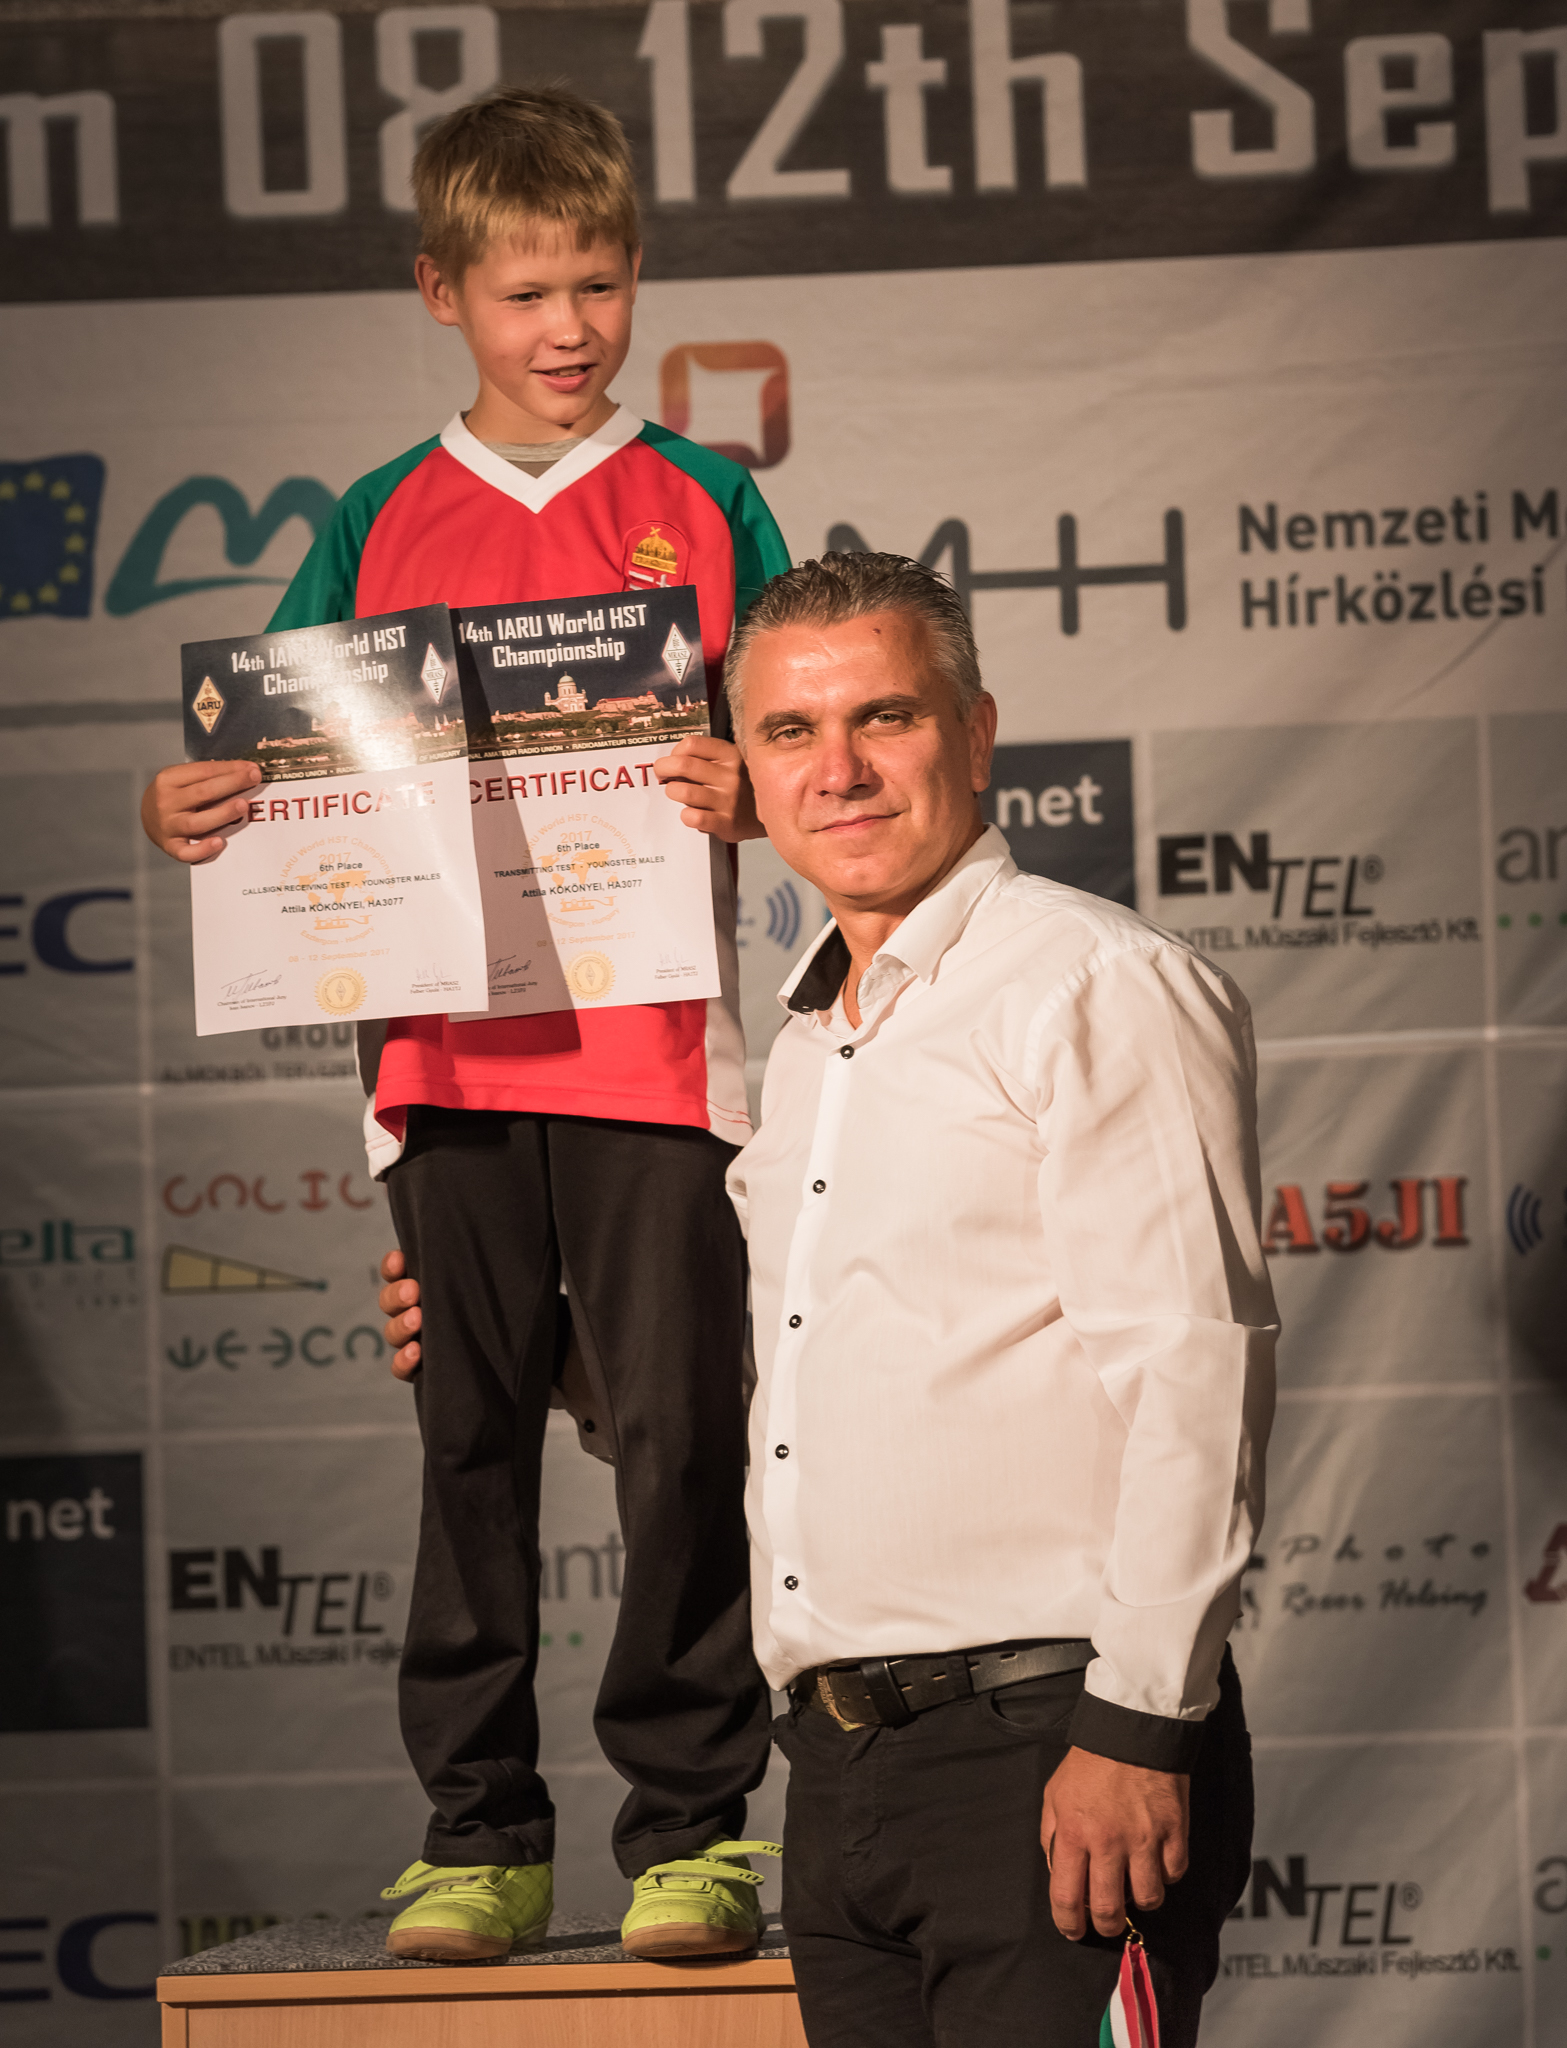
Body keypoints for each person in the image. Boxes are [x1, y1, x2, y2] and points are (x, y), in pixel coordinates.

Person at [383, 554, 1277, 2038]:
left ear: (976, 733)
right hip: (836, 1773)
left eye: (886, 718)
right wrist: (529, 1355)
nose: (839, 770)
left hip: (1049, 1748)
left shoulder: (1092, 983)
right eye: (791, 732)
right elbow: (791, 1389)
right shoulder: (806, 1048)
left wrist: (1137, 1728)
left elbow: (1196, 1372)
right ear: (748, 767)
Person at [141, 87, 790, 1964]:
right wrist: (190, 803)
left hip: (654, 1056)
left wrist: (748, 780)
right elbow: (267, 756)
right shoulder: (374, 517)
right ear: (443, 294)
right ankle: (479, 1833)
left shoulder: (707, 497)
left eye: (598, 283)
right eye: (526, 293)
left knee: (680, 1435)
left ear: (636, 274)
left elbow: (793, 726)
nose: (569, 327)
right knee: (472, 1438)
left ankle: (691, 1832)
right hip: (438, 1059)